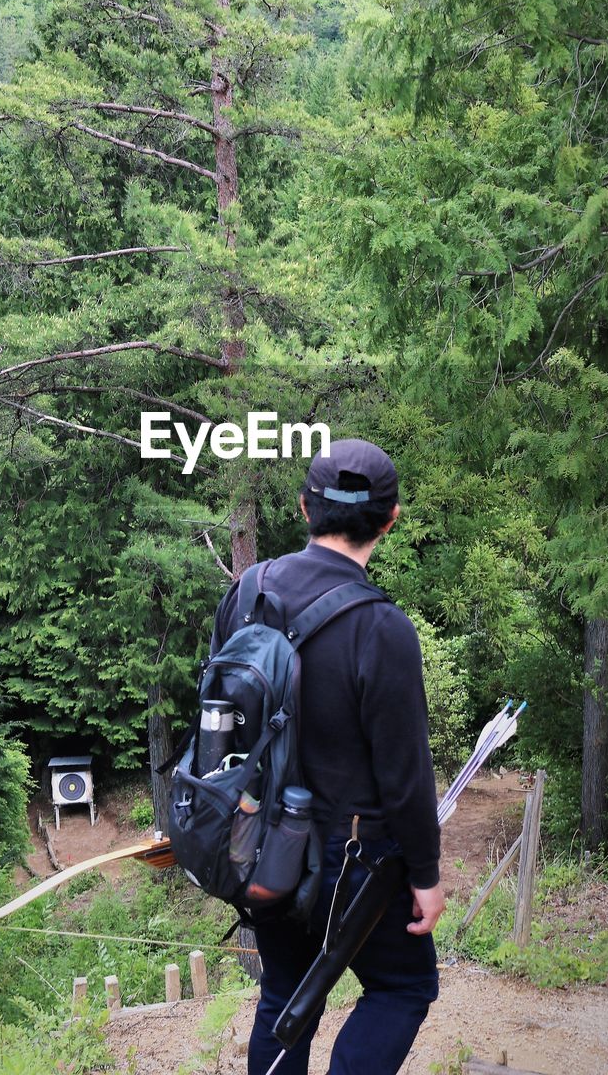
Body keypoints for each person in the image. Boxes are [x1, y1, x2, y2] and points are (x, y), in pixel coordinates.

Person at [211, 439, 445, 1075]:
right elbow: (405, 776)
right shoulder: (383, 628)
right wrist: (425, 875)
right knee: (402, 987)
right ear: (391, 518)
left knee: (286, 996)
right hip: (356, 861)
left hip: (261, 844)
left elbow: (217, 716)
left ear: (304, 507)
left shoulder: (248, 591)